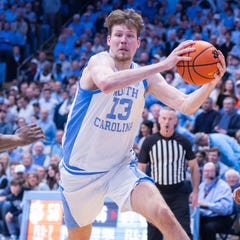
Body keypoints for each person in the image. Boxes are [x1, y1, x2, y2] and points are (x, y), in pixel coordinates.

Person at [59, 9, 225, 240]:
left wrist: (211, 83)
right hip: (80, 172)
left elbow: (186, 105)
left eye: (129, 36)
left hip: (119, 167)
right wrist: (164, 65)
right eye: (118, 35)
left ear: (138, 43)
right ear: (109, 40)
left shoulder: (146, 76)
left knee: (163, 213)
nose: (123, 41)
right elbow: (106, 83)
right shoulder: (99, 61)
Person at [138, 107, 200, 240]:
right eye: (164, 118)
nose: (167, 122)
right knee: (154, 232)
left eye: (170, 119)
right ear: (159, 120)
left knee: (183, 230)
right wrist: (143, 194)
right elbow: (141, 168)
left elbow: (194, 167)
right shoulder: (149, 142)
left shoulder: (183, 141)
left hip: (178, 192)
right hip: (156, 193)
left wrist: (195, 191)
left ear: (176, 121)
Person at [198, 162, 233, 240]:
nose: (207, 173)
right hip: (205, 217)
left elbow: (225, 209)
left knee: (207, 228)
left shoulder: (224, 187)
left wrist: (206, 205)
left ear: (216, 172)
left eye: (210, 171)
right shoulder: (202, 185)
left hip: (221, 218)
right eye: (205, 171)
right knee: (190, 224)